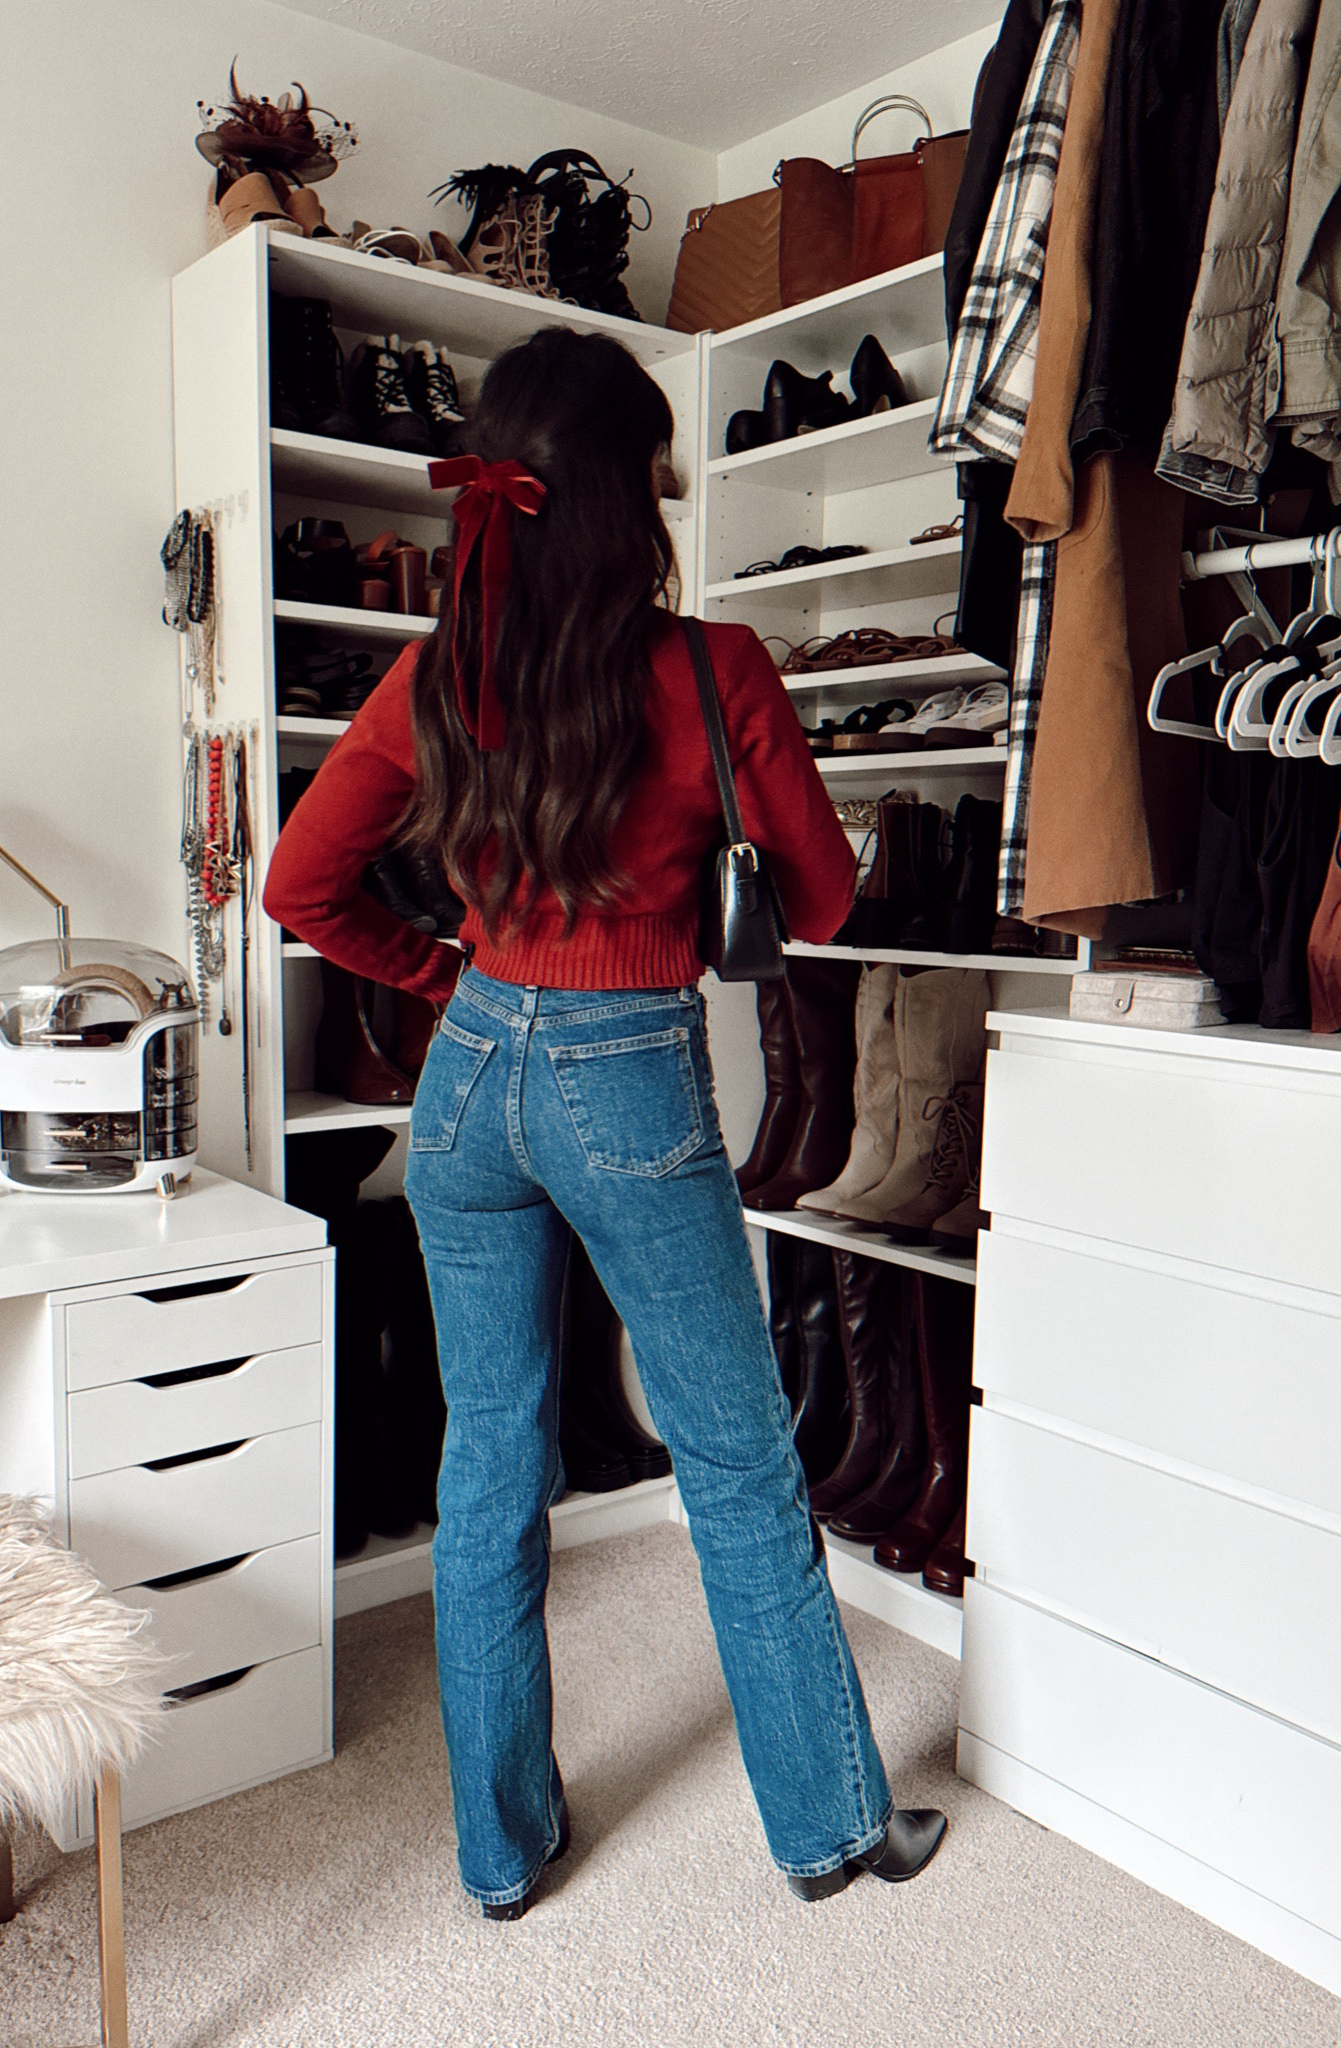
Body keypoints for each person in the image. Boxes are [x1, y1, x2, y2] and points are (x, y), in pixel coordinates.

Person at [263, 327, 947, 1921]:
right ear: (626, 503)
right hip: (628, 1071)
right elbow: (827, 898)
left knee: (486, 1470)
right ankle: (830, 1831)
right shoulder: (716, 670)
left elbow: (302, 885)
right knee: (737, 1457)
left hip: (470, 1076)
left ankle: (501, 1857)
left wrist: (442, 971)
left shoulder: (438, 674)